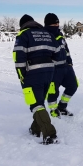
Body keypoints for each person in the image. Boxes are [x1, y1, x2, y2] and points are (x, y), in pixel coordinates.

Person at [13, 14, 59, 144]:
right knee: (39, 101)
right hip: (49, 71)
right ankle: (35, 129)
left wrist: (22, 76)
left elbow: (19, 57)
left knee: (35, 104)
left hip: (33, 72)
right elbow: (58, 53)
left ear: (22, 25)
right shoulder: (47, 33)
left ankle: (50, 134)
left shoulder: (24, 35)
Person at [44, 13, 78, 118]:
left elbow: (66, 50)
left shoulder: (60, 34)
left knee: (73, 85)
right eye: (55, 23)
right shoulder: (45, 35)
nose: (57, 25)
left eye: (58, 23)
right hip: (52, 69)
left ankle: (62, 107)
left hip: (66, 67)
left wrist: (70, 62)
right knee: (53, 91)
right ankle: (53, 111)